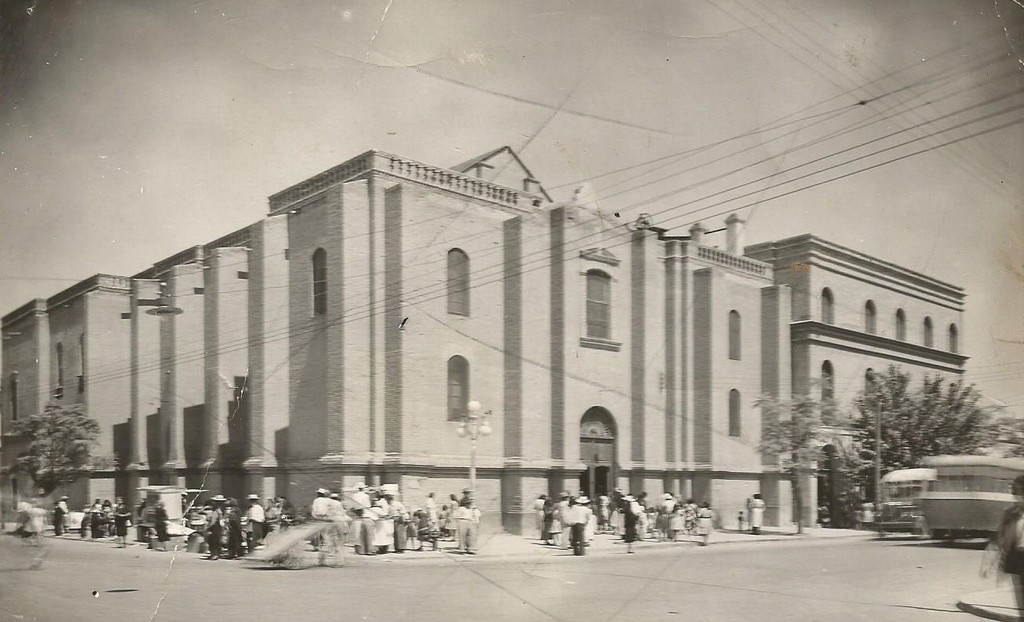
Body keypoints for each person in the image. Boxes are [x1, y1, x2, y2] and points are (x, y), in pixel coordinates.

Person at [983, 474, 1024, 615]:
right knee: (1021, 603)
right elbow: (998, 539)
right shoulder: (1009, 513)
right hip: (1016, 559)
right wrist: (988, 563)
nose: (1017, 497)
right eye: (1016, 492)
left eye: (1020, 492)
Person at [206, 495, 226, 560]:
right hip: (218, 526)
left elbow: (213, 521)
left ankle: (214, 554)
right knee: (217, 540)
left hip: (215, 527)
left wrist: (208, 527)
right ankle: (216, 554)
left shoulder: (215, 511)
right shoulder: (220, 510)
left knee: (213, 541)